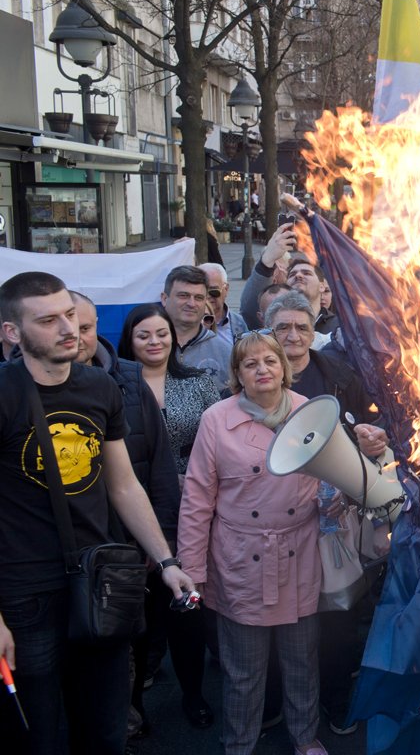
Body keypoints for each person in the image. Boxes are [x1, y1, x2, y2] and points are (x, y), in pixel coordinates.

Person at [0, 272, 195, 755]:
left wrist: (167, 562)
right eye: (48, 320)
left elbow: (123, 483)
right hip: (24, 592)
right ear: (11, 332)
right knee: (37, 735)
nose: (68, 328)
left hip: (100, 578)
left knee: (106, 732)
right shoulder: (3, 395)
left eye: (70, 314)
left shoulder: (99, 387)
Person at [177, 331, 378, 755]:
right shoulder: (216, 419)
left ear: (283, 369)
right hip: (240, 559)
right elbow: (197, 500)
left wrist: (338, 497)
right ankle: (239, 743)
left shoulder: (310, 410)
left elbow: (337, 474)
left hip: (299, 553)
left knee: (301, 661)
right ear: (237, 374)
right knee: (244, 669)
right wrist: (193, 572)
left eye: (269, 361)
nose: (262, 370)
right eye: (250, 364)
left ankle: (305, 738)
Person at [75, 294, 194, 732]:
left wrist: (161, 546)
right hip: (60, 552)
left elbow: (155, 472)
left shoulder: (127, 381)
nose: (74, 335)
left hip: (126, 545)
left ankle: (129, 718)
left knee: (130, 637)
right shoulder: (16, 390)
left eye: (85, 326)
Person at [162, 264, 232, 387]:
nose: (191, 303)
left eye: (199, 298)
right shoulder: (149, 347)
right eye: (183, 295)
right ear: (164, 298)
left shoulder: (226, 351)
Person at [199, 263, 248, 345]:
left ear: (226, 289)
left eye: (213, 290)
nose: (207, 296)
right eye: (201, 290)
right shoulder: (186, 322)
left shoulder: (239, 323)